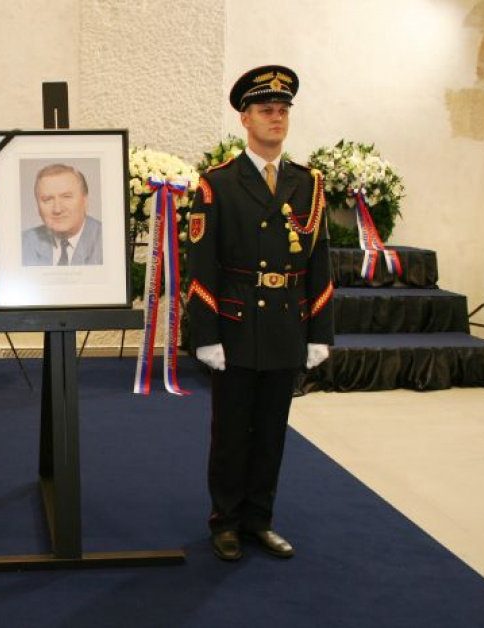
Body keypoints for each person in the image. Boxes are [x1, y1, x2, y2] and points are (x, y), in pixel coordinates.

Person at [186, 65, 334, 561]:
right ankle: (225, 521)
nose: (276, 118)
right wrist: (206, 334)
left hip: (285, 325)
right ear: (244, 119)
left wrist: (320, 330)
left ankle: (259, 519)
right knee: (232, 432)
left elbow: (319, 264)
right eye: (266, 110)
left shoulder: (307, 184)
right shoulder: (219, 184)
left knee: (271, 433)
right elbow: (201, 265)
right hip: (235, 324)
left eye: (283, 110)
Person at [22, 163, 102, 266]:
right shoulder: (22, 244)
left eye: (66, 197)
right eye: (48, 200)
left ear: (85, 201)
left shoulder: (108, 240)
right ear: (38, 205)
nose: (57, 209)